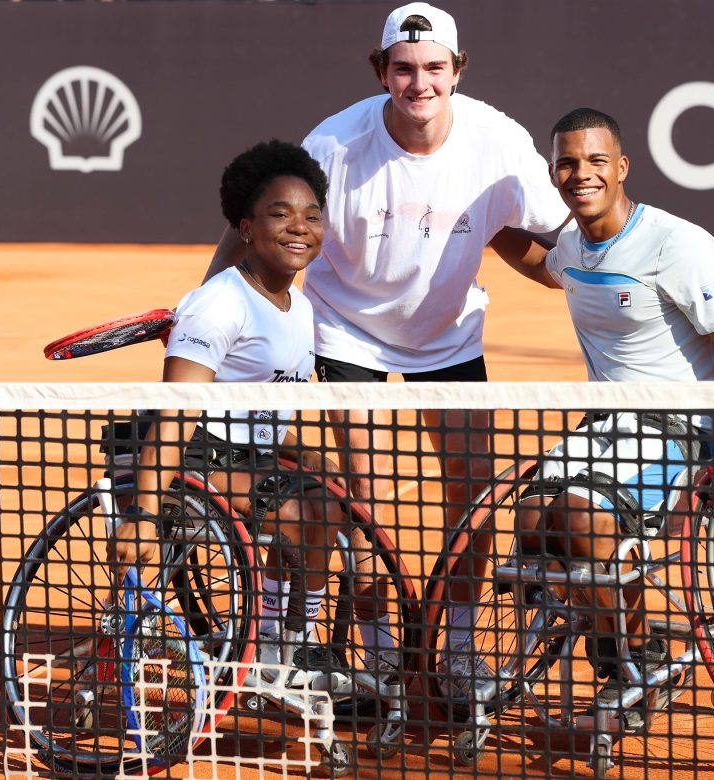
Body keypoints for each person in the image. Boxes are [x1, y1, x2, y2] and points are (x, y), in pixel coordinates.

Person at [203, 2, 570, 695]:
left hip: (449, 336)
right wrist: (208, 302)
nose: (419, 83)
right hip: (348, 334)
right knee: (365, 507)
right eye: (403, 69)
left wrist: (597, 279)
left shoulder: (497, 141)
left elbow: (543, 235)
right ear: (381, 71)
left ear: (458, 71)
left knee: (475, 502)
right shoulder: (334, 146)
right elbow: (251, 222)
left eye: (434, 68)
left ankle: (458, 655)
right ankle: (378, 661)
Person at [508, 107, 714, 726]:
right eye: (568, 163)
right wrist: (476, 226)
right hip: (605, 429)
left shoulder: (679, 245)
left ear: (621, 167)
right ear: (553, 172)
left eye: (596, 161)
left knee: (577, 520)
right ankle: (615, 638)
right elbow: (546, 270)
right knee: (525, 521)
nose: (581, 174)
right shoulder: (570, 247)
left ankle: (635, 654)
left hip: (680, 433)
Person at [114, 139, 342, 683]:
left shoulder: (301, 307)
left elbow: (270, 405)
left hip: (250, 455)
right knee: (298, 513)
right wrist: (143, 517)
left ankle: (283, 638)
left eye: (312, 216)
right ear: (245, 228)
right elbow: (176, 413)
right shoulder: (219, 303)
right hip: (195, 461)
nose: (299, 228)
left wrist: (312, 458)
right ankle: (283, 641)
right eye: (279, 215)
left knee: (332, 490)